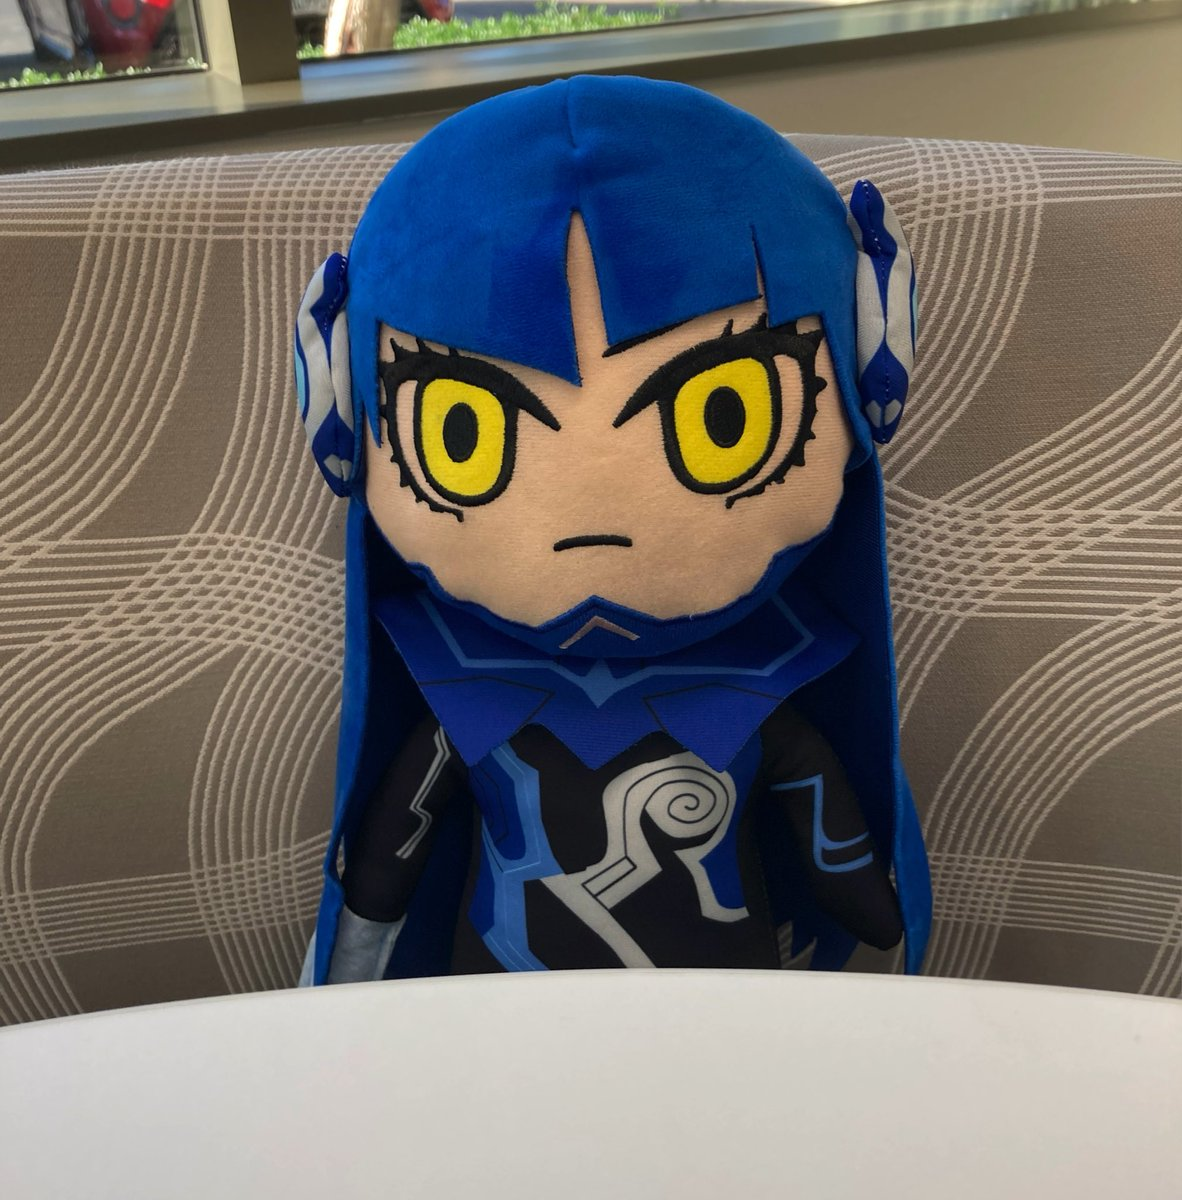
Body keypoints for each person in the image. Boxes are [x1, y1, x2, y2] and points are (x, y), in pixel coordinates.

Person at [293, 76, 931, 985]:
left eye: (725, 417)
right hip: (501, 1033)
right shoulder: (462, 701)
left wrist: (883, 943)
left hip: (724, 1027)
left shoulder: (763, 707)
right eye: (462, 432)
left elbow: (844, 864)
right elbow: (386, 868)